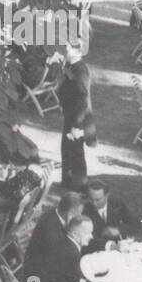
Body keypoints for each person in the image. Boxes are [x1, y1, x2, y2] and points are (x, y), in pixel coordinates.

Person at [30, 214, 92, 282]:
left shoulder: (64, 242)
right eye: (87, 233)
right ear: (74, 234)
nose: (91, 236)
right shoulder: (71, 254)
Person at [56, 42, 94, 191]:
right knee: (66, 148)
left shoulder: (80, 70)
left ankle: (80, 186)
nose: (63, 50)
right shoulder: (71, 65)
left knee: (76, 151)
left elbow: (83, 99)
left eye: (66, 48)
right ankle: (67, 181)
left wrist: (77, 125)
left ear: (77, 50)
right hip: (69, 114)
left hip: (77, 118)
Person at [24, 191, 83, 282]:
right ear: (70, 213)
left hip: (43, 267)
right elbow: (58, 259)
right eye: (78, 213)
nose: (79, 216)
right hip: (37, 278)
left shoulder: (57, 212)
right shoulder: (51, 228)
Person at [83, 179, 140, 252]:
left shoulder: (116, 203)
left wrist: (119, 230)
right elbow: (86, 237)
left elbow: (136, 223)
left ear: (106, 195)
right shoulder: (85, 209)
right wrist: (110, 245)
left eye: (98, 200)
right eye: (91, 199)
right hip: (96, 251)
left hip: (118, 251)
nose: (94, 203)